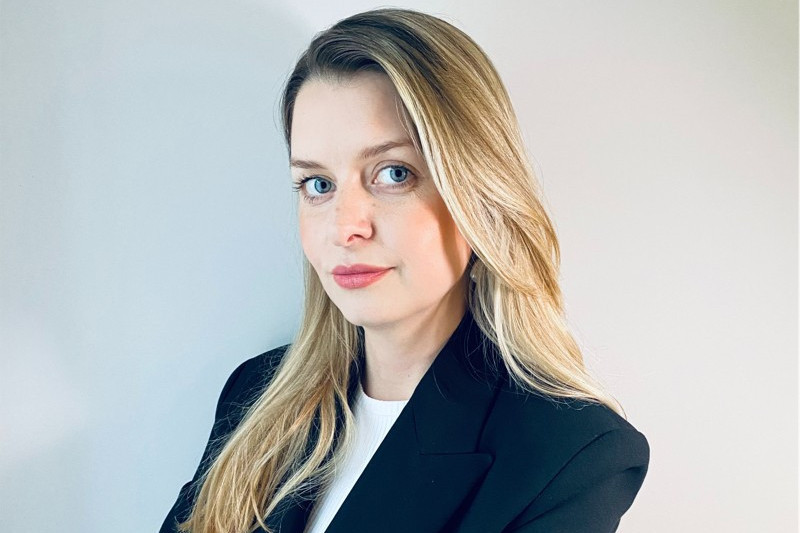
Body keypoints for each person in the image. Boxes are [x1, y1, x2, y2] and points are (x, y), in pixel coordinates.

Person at [160, 8, 649, 533]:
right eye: (318, 184)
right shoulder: (254, 394)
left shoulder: (569, 456)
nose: (344, 227)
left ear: (479, 195)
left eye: (394, 174)